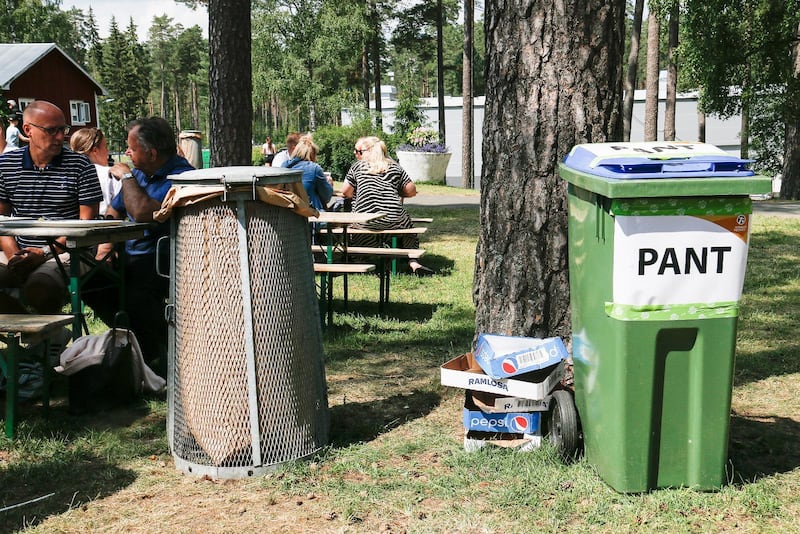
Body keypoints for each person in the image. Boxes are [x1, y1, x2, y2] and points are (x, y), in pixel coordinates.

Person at [83, 117, 194, 377]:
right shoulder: (144, 173)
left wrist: (127, 176)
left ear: (152, 153)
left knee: (136, 294)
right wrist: (105, 247)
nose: (128, 153)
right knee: (90, 282)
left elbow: (143, 212)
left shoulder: (181, 176)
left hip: (163, 260)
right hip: (131, 256)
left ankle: (153, 347)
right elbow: (115, 209)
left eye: (132, 148)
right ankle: (140, 342)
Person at [0, 100, 102, 313]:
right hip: (20, 249)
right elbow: (1, 220)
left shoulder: (80, 166)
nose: (59, 137)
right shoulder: (6, 165)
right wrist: (14, 257)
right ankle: (31, 330)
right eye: (51, 130)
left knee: (40, 285)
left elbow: (86, 225)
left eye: (62, 130)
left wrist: (43, 252)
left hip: (70, 249)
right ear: (27, 130)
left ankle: (47, 335)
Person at [341, 136, 433, 276]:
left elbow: (345, 192)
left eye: (360, 151)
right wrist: (396, 191)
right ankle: (413, 261)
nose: (357, 154)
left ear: (369, 151)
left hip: (365, 223)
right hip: (393, 223)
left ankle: (359, 259)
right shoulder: (394, 166)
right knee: (407, 225)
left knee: (356, 226)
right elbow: (412, 190)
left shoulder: (357, 167)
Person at [70, 127, 121, 216]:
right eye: (105, 147)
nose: (107, 151)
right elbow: (121, 205)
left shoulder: (70, 174)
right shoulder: (110, 173)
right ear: (95, 150)